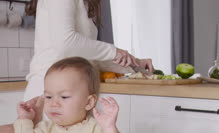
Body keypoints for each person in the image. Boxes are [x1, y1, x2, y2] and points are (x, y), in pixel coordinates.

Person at [23, 0, 154, 101]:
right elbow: (65, 43)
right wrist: (114, 51)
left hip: (72, 93)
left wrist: (134, 63)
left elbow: (89, 56)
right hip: (48, 93)